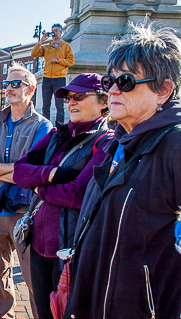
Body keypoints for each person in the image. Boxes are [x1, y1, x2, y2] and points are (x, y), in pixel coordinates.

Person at [64, 23, 181, 318]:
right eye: (109, 81)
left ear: (164, 90)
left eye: (126, 82)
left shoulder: (175, 146)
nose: (113, 91)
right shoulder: (118, 143)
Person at [12, 73, 112, 318]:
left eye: (79, 96)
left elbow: (78, 194)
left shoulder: (106, 141)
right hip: (37, 246)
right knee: (42, 311)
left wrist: (39, 187)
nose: (71, 103)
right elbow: (19, 171)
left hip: (70, 250)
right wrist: (54, 173)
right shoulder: (58, 134)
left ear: (104, 102)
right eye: (68, 97)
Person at [0, 63, 52, 319]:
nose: (8, 88)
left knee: (33, 277)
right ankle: (3, 314)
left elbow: (34, 172)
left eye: (15, 84)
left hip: (27, 213)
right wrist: (17, 170)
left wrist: (0, 167)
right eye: (7, 83)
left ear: (30, 90)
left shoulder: (42, 127)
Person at [31, 23, 75, 124]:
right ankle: (45, 126)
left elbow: (71, 61)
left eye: (56, 30)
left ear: (60, 32)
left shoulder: (66, 46)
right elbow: (34, 53)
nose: (54, 32)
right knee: (45, 105)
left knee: (59, 105)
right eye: (53, 30)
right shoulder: (47, 47)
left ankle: (59, 127)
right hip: (47, 78)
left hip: (59, 78)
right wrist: (41, 41)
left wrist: (59, 61)